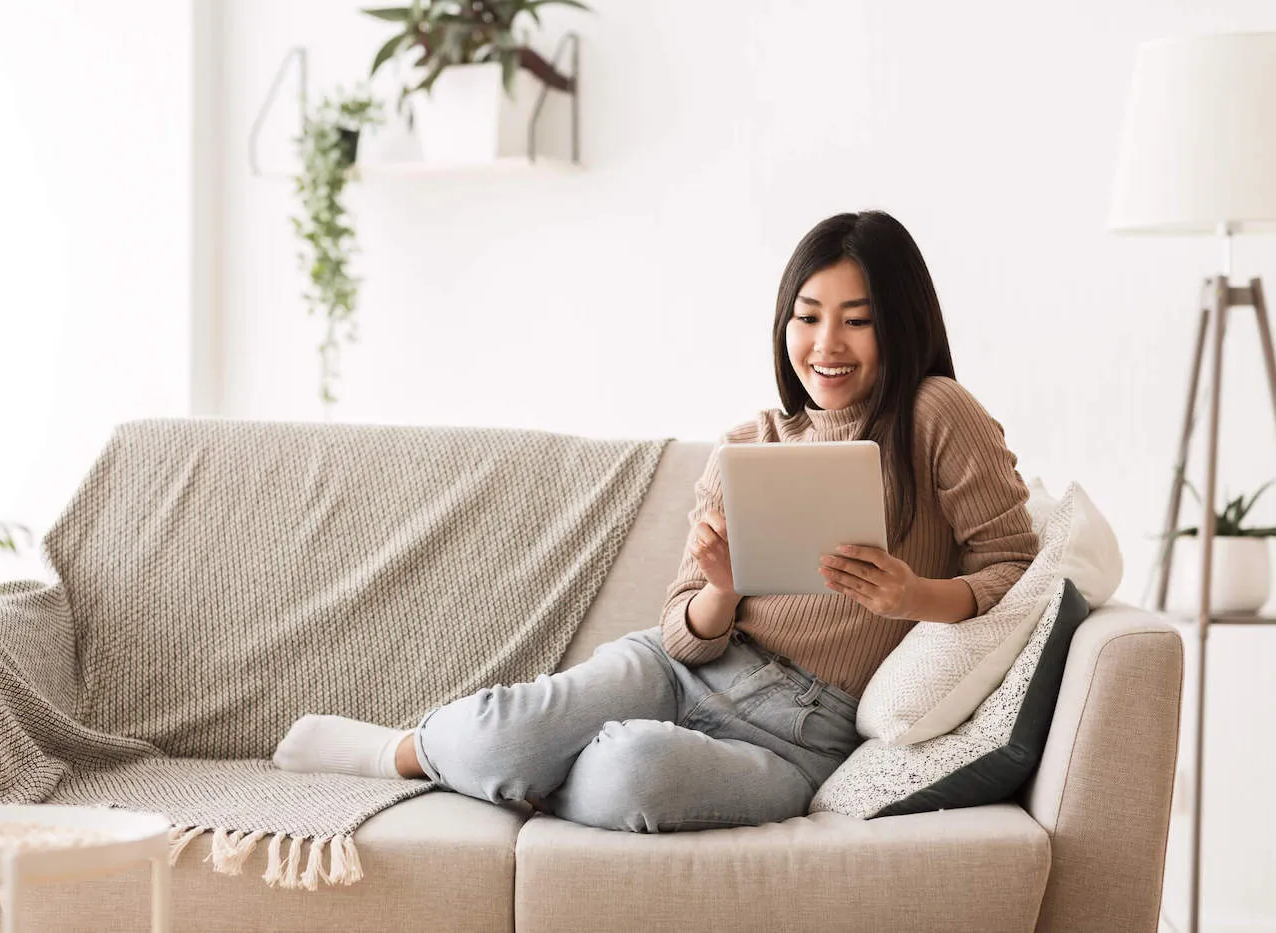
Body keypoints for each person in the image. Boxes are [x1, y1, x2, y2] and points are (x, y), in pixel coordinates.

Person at [272, 209, 1040, 833]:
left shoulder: (937, 414)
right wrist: (723, 591)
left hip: (800, 732)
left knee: (627, 775)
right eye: (806, 318)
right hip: (681, 668)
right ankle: (402, 750)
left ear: (900, 324)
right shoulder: (747, 447)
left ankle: (515, 772)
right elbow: (680, 629)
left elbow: (1016, 565)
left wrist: (915, 598)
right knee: (506, 733)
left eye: (857, 321)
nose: (825, 345)